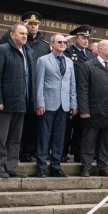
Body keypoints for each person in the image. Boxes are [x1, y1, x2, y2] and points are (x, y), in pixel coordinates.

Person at [0, 23, 34, 178]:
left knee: (15, 138)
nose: (24, 36)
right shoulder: (1, 50)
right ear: (12, 34)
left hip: (21, 102)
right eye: (21, 33)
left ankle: (12, 166)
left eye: (26, 34)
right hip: (5, 102)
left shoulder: (28, 52)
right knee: (1, 137)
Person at [77, 39, 108, 177]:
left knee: (106, 141)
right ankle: (86, 166)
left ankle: (103, 165)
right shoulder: (88, 66)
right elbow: (83, 89)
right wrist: (84, 109)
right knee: (89, 140)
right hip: (93, 110)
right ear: (101, 49)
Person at [35, 34, 77, 177]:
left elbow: (72, 85)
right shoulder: (43, 60)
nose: (63, 44)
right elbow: (39, 83)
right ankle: (41, 165)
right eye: (59, 42)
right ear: (52, 44)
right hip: (48, 103)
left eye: (65, 42)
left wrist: (73, 103)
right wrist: (39, 102)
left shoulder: (69, 62)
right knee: (44, 135)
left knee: (59, 137)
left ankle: (55, 165)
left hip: (64, 105)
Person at [63, 24, 92, 161]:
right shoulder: (68, 52)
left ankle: (78, 154)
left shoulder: (91, 55)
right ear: (75, 39)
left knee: (81, 128)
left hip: (85, 97)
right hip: (70, 95)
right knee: (67, 128)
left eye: (87, 38)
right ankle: (62, 153)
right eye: (82, 37)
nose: (86, 40)